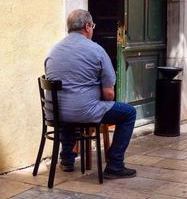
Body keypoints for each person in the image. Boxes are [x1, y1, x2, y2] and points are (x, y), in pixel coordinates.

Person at [45, 9, 136, 179]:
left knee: (69, 105)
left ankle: (67, 159)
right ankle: (115, 165)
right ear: (87, 26)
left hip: (55, 113)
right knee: (129, 113)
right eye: (92, 26)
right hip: (83, 111)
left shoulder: (54, 50)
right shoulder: (96, 51)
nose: (92, 29)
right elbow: (109, 94)